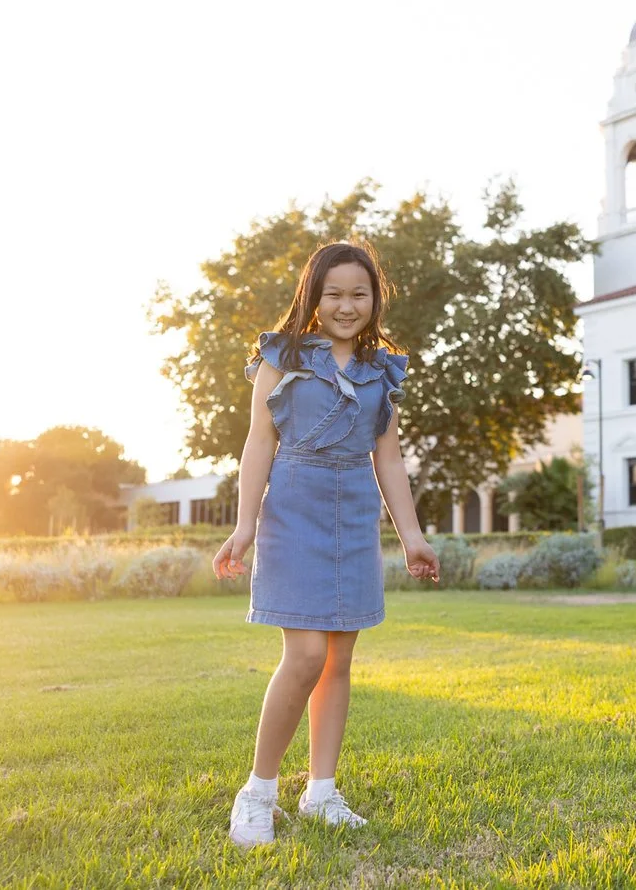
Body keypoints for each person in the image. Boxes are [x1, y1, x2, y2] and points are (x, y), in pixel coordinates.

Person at [212, 239, 440, 848]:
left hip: (354, 511)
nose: (346, 305)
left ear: (375, 300)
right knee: (306, 655)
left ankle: (321, 791)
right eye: (334, 293)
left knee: (339, 659)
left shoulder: (380, 370)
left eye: (358, 294)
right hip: (294, 504)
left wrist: (412, 536)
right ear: (314, 297)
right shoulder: (281, 356)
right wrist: (244, 525)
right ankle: (258, 793)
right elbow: (258, 442)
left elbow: (387, 457)